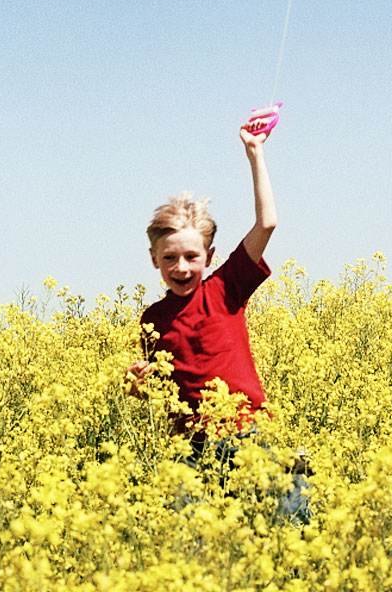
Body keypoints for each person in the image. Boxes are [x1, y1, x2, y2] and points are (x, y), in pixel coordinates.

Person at [125, 116, 309, 522]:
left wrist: (254, 153)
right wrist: (136, 383)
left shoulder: (226, 288)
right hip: (191, 451)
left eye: (192, 257)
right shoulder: (152, 319)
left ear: (209, 257)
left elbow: (267, 223)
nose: (181, 267)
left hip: (250, 437)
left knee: (287, 534)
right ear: (154, 259)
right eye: (170, 258)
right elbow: (161, 391)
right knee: (194, 547)